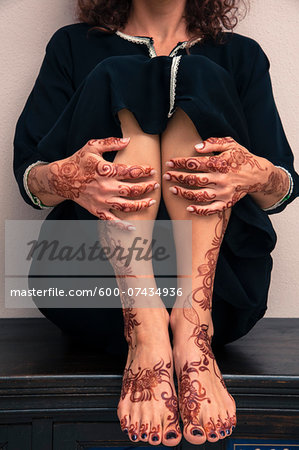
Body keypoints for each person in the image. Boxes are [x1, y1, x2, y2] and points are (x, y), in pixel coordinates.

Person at [13, 0, 298, 446]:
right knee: (119, 72)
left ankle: (191, 328)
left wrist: (257, 173)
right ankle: (144, 327)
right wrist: (71, 179)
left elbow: (282, 188)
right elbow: (28, 176)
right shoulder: (71, 47)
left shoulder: (241, 55)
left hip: (222, 295)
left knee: (200, 74)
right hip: (94, 292)